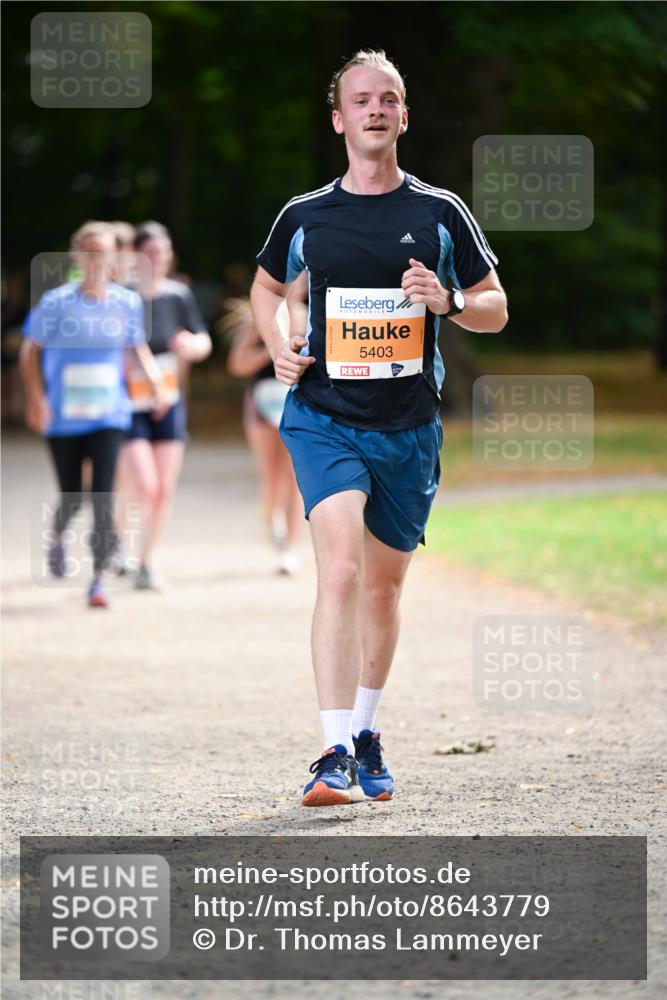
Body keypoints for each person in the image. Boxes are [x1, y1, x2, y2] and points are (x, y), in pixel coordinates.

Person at [250, 50, 508, 806]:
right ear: (338, 120)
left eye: (387, 99)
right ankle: (330, 751)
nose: (373, 109)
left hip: (408, 426)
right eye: (360, 99)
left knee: (383, 591)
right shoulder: (303, 215)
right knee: (339, 570)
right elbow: (266, 291)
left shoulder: (439, 212)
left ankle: (364, 730)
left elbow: (495, 306)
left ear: (403, 116)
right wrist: (276, 345)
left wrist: (448, 299)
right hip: (324, 417)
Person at [19, 221, 167, 608]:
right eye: (91, 252)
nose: (98, 259)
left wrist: (154, 383)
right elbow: (28, 353)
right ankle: (56, 537)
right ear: (77, 257)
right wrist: (36, 398)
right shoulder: (54, 303)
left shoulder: (126, 303)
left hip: (109, 413)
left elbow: (137, 349)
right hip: (64, 416)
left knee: (102, 492)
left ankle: (98, 580)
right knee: (73, 494)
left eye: (106, 252)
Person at [116, 221, 212, 590]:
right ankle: (118, 544)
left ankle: (146, 563)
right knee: (143, 483)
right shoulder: (121, 296)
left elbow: (201, 337)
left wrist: (193, 345)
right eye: (151, 252)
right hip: (130, 403)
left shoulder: (177, 295)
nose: (159, 259)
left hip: (170, 402)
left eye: (164, 252)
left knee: (162, 489)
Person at [225, 273, 307, 575]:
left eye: (302, 277)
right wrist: (275, 350)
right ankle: (275, 529)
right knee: (271, 475)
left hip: (297, 403)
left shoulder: (314, 317)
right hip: (262, 404)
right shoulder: (262, 318)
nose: (296, 283)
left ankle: (290, 547)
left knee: (296, 477)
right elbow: (237, 363)